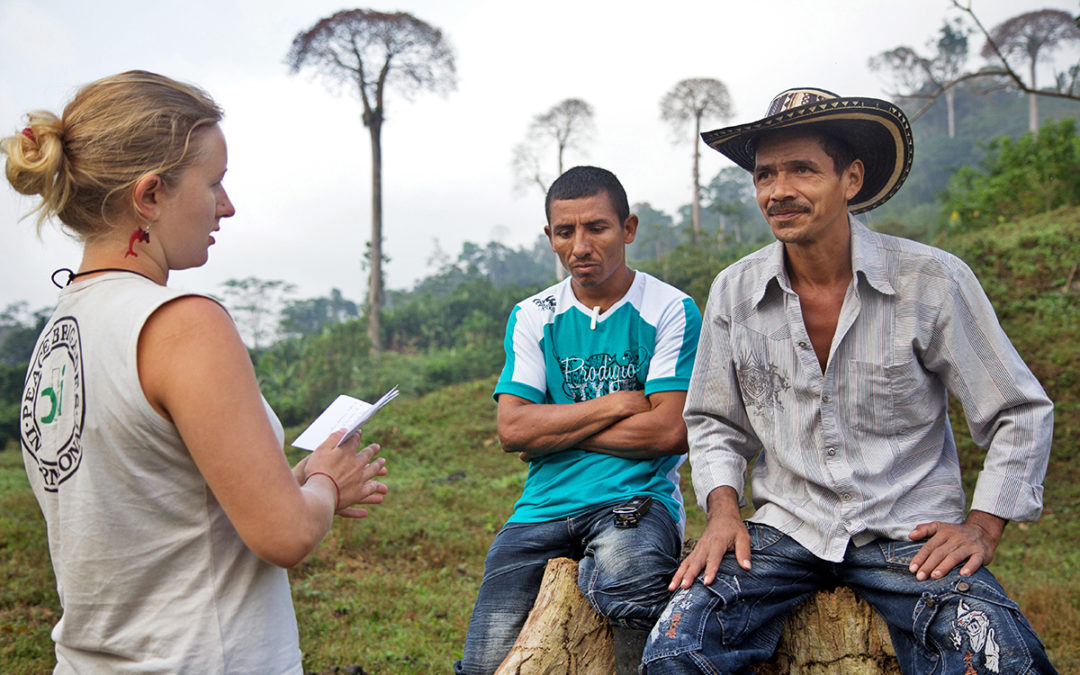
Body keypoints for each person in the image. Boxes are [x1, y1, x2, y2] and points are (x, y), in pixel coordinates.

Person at [641, 88, 1057, 674]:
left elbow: (1019, 410)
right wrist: (723, 511)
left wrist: (984, 527)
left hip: (906, 529)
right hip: (785, 528)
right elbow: (714, 420)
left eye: (803, 170)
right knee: (676, 649)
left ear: (852, 179)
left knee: (1001, 658)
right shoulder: (734, 291)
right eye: (765, 174)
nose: (778, 190)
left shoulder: (930, 280)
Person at [4, 71, 389, 673]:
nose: (227, 206)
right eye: (215, 183)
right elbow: (284, 536)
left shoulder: (61, 332)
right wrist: (327, 486)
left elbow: (166, 511)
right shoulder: (184, 325)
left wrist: (296, 476)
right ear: (150, 195)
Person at [455, 166, 702, 674]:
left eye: (597, 227)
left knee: (632, 593)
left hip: (633, 502)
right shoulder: (533, 315)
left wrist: (554, 433)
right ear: (550, 237)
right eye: (565, 232)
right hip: (539, 510)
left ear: (628, 229)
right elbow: (513, 430)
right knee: (483, 662)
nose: (580, 245)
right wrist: (614, 404)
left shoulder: (670, 308)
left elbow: (668, 431)